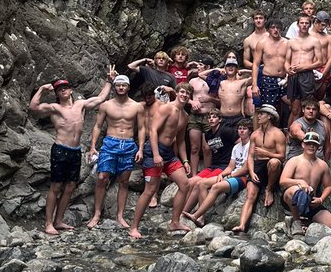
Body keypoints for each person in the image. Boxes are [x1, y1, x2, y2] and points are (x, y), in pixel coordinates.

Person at [29, 70, 115, 235]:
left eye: (65, 87)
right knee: (56, 186)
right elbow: (33, 107)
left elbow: (100, 99)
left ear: (71, 90)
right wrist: (41, 89)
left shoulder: (80, 105)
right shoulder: (54, 108)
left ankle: (59, 220)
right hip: (60, 149)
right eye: (59, 89)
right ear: (56, 93)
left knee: (70, 186)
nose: (63, 90)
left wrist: (109, 81)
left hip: (75, 151)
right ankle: (48, 223)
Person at [129, 83, 192, 238]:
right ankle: (134, 227)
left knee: (185, 184)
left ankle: (174, 222)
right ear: (177, 93)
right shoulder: (166, 108)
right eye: (182, 92)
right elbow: (153, 130)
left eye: (188, 93)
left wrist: (185, 161)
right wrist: (156, 154)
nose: (184, 95)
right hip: (154, 150)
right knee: (150, 190)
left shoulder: (185, 116)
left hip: (169, 154)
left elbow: (181, 141)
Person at [87, 75, 146, 229]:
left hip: (128, 144)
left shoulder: (137, 106)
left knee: (124, 181)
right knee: (102, 178)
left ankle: (120, 215)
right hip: (110, 143)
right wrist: (93, 146)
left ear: (128, 87)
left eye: (124, 85)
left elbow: (141, 128)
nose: (121, 87)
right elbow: (98, 126)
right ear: (114, 87)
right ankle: (97, 214)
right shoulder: (106, 105)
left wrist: (140, 148)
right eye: (118, 85)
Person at [185, 119, 252, 226]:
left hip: (243, 178)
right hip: (232, 175)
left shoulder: (251, 146)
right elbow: (230, 167)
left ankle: (197, 215)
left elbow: (245, 169)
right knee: (202, 183)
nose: (242, 131)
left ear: (250, 131)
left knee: (215, 187)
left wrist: (230, 175)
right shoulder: (236, 147)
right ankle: (199, 216)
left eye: (244, 129)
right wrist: (222, 174)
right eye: (240, 129)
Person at [180, 110, 240, 222]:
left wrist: (236, 162)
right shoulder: (207, 135)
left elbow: (240, 142)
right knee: (191, 182)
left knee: (200, 184)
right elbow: (210, 153)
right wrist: (207, 168)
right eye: (209, 117)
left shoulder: (226, 130)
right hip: (214, 165)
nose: (211, 119)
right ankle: (182, 212)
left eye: (214, 117)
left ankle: (198, 215)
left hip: (225, 166)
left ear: (220, 119)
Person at [236, 104, 286, 232]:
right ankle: (242, 225)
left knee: (274, 162)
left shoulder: (278, 134)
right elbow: (250, 156)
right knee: (250, 194)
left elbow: (282, 157)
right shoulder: (255, 134)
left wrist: (267, 153)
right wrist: (251, 172)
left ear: (269, 116)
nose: (258, 116)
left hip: (272, 165)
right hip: (258, 166)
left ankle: (269, 189)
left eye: (261, 114)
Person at [280, 131, 331, 235]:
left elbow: (328, 186)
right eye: (308, 144)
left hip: (311, 201)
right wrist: (300, 182)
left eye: (314, 144)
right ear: (303, 145)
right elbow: (283, 181)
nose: (311, 146)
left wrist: (321, 199)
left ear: (318, 147)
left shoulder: (322, 165)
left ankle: (304, 222)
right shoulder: (294, 161)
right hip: (293, 199)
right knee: (296, 191)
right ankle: (297, 222)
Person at [286, 15, 323, 120]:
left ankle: (307, 132)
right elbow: (286, 61)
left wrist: (305, 67)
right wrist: (287, 69)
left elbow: (320, 61)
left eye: (306, 23)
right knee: (295, 109)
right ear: (298, 25)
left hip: (307, 75)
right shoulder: (291, 42)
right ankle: (290, 134)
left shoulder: (314, 41)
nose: (304, 25)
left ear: (310, 25)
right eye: (302, 23)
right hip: (293, 76)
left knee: (308, 107)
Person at [186, 61, 218, 175]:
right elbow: (184, 96)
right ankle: (194, 175)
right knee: (194, 148)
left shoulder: (215, 81)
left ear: (208, 67)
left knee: (207, 148)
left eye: (200, 65)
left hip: (209, 116)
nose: (198, 67)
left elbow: (221, 101)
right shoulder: (193, 81)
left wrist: (210, 99)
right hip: (194, 116)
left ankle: (207, 173)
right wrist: (192, 102)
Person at [251, 21, 290, 112]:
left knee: (294, 105)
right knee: (268, 110)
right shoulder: (262, 43)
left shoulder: (287, 43)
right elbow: (256, 64)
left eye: (278, 27)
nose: (275, 30)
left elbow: (291, 61)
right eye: (273, 27)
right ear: (268, 29)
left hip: (284, 79)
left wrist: (289, 76)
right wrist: (254, 85)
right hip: (268, 79)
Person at [217, 54, 252, 141]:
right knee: (223, 143)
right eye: (228, 66)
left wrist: (244, 71)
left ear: (237, 69)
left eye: (233, 66)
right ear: (225, 68)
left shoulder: (242, 82)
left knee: (240, 141)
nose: (230, 67)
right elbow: (202, 75)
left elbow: (259, 74)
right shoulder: (220, 83)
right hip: (223, 118)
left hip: (238, 117)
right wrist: (217, 69)